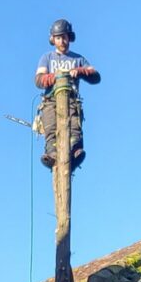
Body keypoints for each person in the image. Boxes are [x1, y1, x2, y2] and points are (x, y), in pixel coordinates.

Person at [35, 19, 100, 170]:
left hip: (71, 99)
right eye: (58, 37)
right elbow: (38, 79)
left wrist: (81, 71)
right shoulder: (47, 58)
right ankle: (52, 154)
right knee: (50, 126)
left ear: (69, 37)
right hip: (51, 99)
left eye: (64, 37)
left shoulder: (78, 59)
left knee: (74, 127)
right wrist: (52, 77)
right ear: (53, 39)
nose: (62, 41)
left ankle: (75, 152)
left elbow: (95, 76)